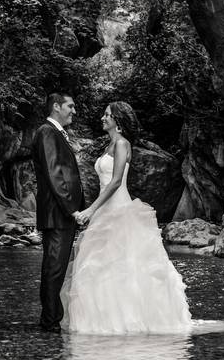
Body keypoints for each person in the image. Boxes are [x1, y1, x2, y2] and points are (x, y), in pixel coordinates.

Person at [60, 101, 193, 334]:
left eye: (107, 115)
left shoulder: (122, 144)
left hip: (118, 209)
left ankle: (129, 321)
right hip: (104, 211)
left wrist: (90, 210)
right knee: (100, 266)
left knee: (124, 264)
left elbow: (115, 181)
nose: (102, 118)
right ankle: (100, 321)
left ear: (118, 121)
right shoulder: (109, 145)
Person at [30, 92, 85, 333]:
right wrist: (72, 209)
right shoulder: (46, 132)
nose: (74, 111)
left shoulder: (54, 133)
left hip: (60, 214)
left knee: (57, 266)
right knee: (54, 267)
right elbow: (55, 174)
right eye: (70, 106)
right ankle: (49, 321)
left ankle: (52, 317)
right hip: (57, 214)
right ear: (56, 107)